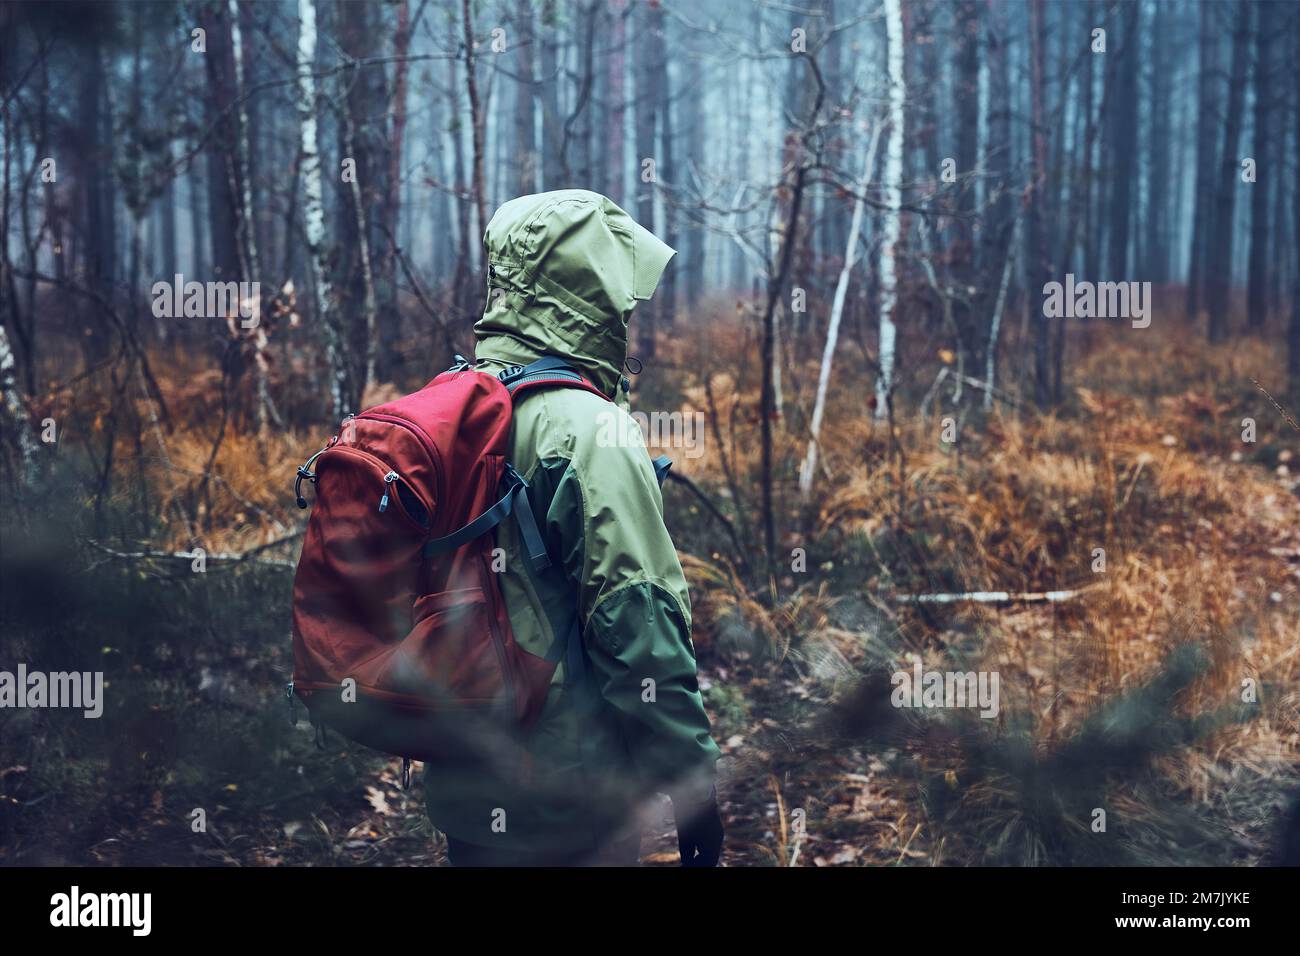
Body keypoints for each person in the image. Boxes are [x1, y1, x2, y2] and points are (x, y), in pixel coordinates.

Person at [425, 190, 724, 867]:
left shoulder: (454, 403)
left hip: (468, 782)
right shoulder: (592, 431)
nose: (630, 311)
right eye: (620, 291)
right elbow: (639, 630)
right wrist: (693, 795)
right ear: (587, 293)